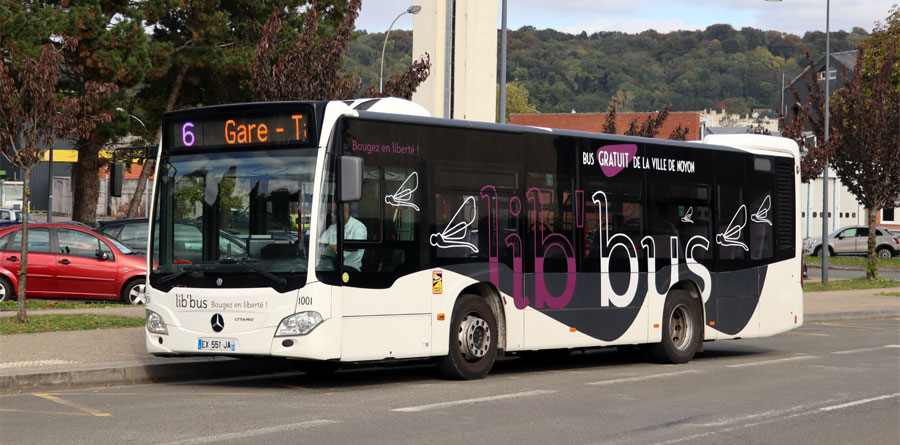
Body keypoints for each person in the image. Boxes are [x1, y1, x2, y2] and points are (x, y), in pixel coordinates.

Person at [319, 202, 367, 271]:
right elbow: (320, 244)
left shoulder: (358, 226)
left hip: (349, 265)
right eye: (330, 212)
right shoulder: (332, 228)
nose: (331, 215)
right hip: (330, 263)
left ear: (345, 212)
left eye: (334, 212)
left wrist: (335, 247)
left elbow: (356, 246)